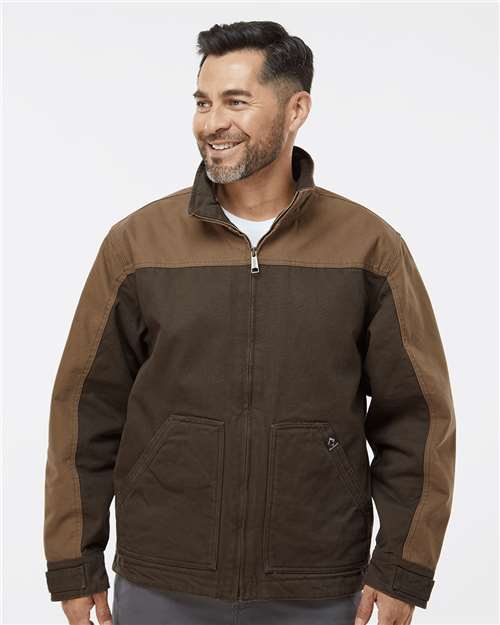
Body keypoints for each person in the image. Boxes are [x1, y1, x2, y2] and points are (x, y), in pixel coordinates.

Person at [43, 20, 456, 625]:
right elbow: (85, 411)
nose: (213, 122)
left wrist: (402, 569)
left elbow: (417, 417)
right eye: (203, 102)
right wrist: (73, 565)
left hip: (317, 583)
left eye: (236, 102)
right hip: (163, 578)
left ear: (296, 110)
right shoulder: (137, 245)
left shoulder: (369, 247)